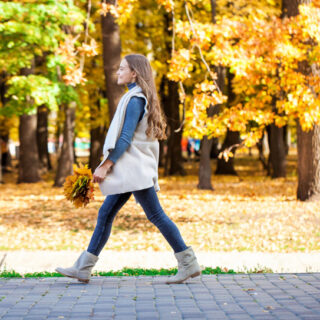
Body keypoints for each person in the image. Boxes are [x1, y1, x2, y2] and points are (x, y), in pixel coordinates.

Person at [56, 54, 201, 284]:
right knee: (106, 213)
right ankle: (83, 267)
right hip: (130, 171)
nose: (118, 72)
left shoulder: (135, 100)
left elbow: (124, 138)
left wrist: (105, 166)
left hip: (133, 171)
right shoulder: (134, 97)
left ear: (134, 72)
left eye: (122, 68)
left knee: (156, 215)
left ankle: (188, 262)